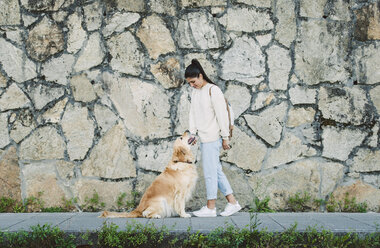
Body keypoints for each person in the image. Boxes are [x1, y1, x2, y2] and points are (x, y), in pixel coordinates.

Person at [184, 59, 241, 217]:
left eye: (193, 82)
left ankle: (211, 207)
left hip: (213, 138)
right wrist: (193, 133)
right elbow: (193, 113)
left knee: (210, 172)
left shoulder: (213, 90)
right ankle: (233, 202)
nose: (192, 85)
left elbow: (222, 115)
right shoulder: (196, 92)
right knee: (216, 171)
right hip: (204, 138)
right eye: (189, 83)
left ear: (201, 76)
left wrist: (225, 137)